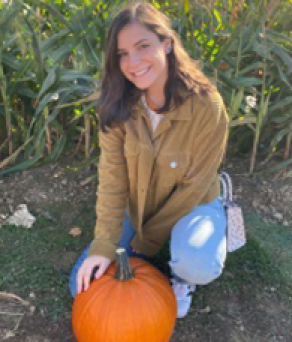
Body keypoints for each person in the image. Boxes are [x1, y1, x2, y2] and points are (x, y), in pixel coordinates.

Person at [69, 1, 229, 319]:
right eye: (123, 54)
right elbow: (113, 180)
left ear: (166, 43)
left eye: (143, 46)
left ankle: (183, 277)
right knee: (82, 287)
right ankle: (144, 249)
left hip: (194, 203)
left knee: (195, 259)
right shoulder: (117, 106)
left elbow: (192, 188)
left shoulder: (206, 105)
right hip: (138, 205)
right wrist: (103, 246)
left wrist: (148, 240)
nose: (134, 62)